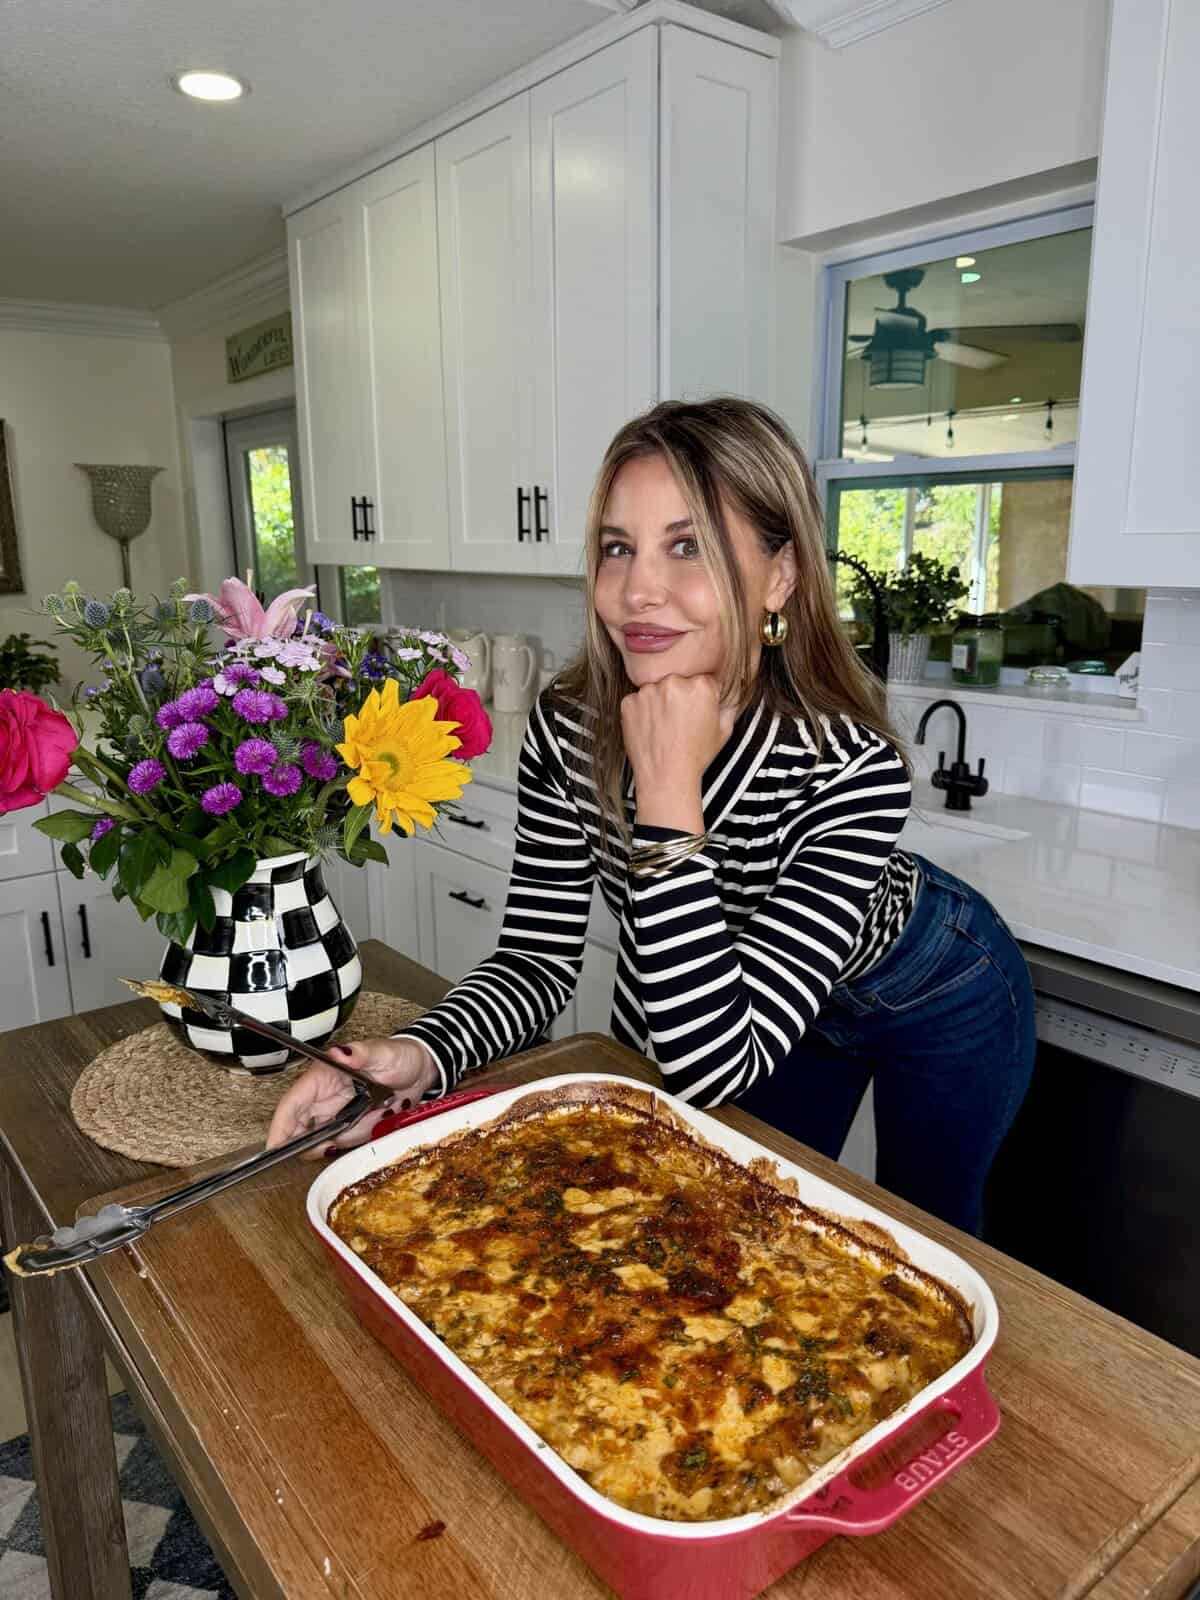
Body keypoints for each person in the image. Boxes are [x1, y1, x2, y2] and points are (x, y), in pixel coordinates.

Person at [268, 397, 1035, 1235]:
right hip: (752, 1005)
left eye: (687, 546)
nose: (637, 589)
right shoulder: (569, 730)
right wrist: (416, 1056)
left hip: (936, 988)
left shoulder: (849, 765)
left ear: (780, 575)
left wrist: (669, 792)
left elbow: (709, 1067)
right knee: (741, 1221)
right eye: (617, 548)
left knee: (929, 1231)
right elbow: (536, 961)